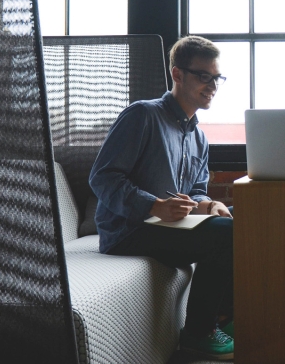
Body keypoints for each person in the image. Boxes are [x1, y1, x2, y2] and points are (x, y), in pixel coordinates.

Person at [89, 35, 236, 360]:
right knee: (230, 234)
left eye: (217, 78)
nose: (212, 85)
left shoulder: (199, 137)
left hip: (170, 227)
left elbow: (195, 191)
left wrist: (209, 204)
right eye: (204, 76)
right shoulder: (142, 115)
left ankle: (225, 316)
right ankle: (199, 333)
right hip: (129, 231)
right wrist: (153, 206)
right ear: (177, 74)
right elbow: (102, 177)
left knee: (243, 218)